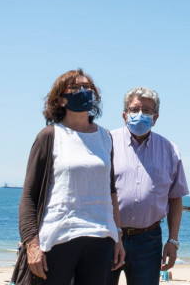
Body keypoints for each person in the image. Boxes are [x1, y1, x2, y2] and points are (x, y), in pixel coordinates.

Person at [12, 70, 126, 285]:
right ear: (61, 99)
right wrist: (32, 244)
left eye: (88, 87)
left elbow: (110, 190)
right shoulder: (49, 136)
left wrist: (118, 236)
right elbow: (29, 195)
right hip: (59, 237)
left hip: (101, 237)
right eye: (75, 88)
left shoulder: (105, 137)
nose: (83, 91)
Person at [111, 87, 190, 285]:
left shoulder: (170, 149)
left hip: (148, 240)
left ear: (155, 118)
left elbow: (175, 198)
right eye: (135, 109)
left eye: (147, 111)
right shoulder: (106, 142)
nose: (141, 115)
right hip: (109, 238)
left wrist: (172, 241)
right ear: (124, 115)